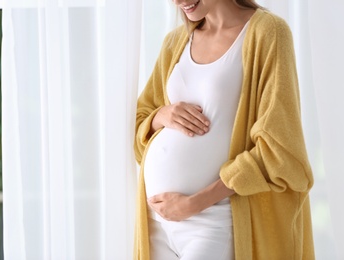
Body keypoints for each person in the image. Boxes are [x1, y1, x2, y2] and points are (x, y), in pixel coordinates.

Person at [134, 0, 315, 259]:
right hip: (157, 219)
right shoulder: (176, 42)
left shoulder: (268, 32)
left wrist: (194, 203)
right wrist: (161, 115)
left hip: (213, 218)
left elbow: (280, 147)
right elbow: (140, 121)